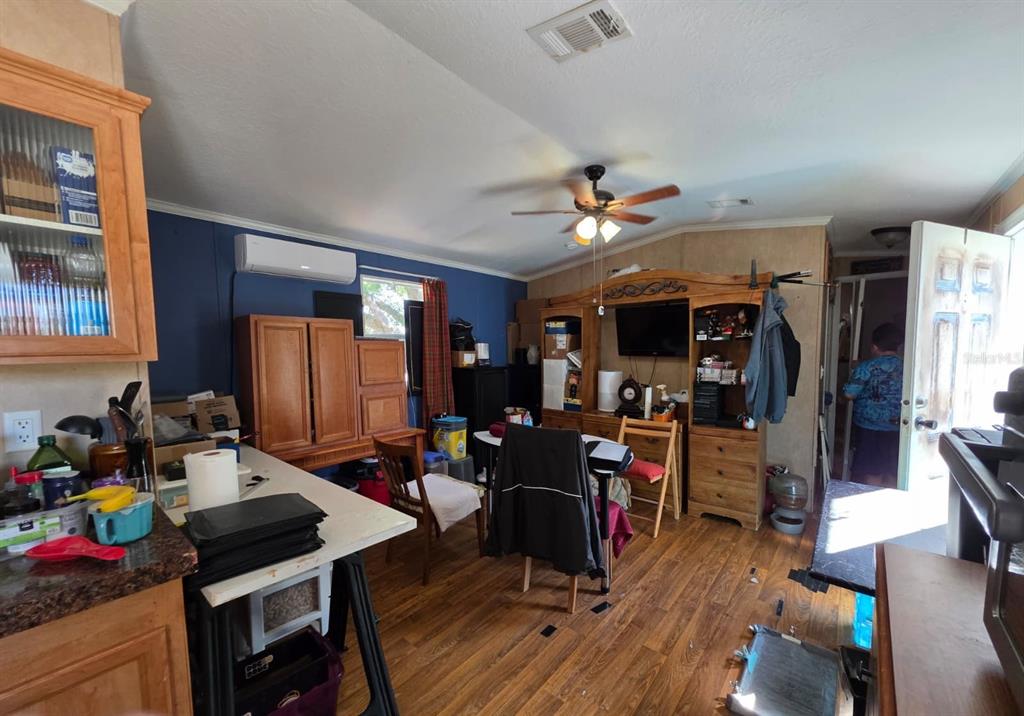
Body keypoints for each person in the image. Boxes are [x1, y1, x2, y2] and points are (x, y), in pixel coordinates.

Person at [843, 323, 904, 486]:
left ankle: (874, 500)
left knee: (873, 471)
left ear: (874, 347)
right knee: (893, 470)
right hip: (898, 426)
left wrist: (855, 372)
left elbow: (849, 393)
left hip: (870, 427)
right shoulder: (907, 367)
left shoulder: (867, 367)